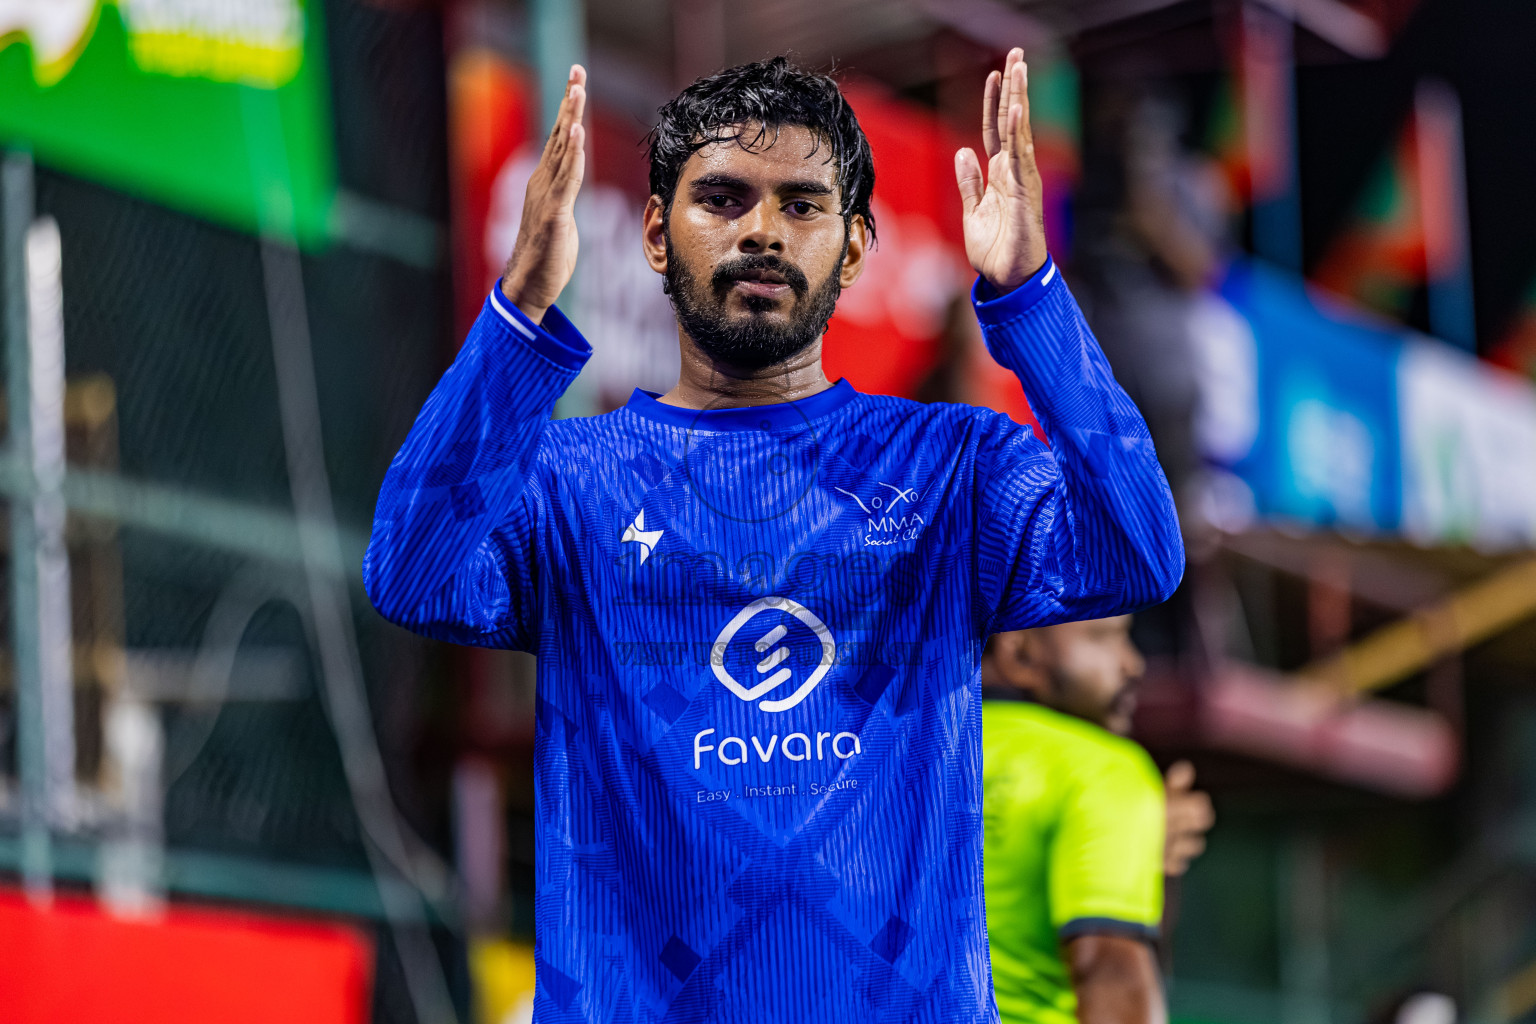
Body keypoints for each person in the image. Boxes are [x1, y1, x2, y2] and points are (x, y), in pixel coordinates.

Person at [365, 52, 1182, 1023]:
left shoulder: (951, 468)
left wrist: (1031, 299)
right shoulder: (572, 480)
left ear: (855, 244)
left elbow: (1137, 551)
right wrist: (517, 317)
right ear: (658, 237)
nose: (762, 230)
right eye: (722, 198)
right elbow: (411, 574)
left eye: (802, 204)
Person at [981, 617, 1214, 1023]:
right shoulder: (1102, 770)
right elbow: (1111, 974)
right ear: (1018, 649)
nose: (1133, 663)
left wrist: (1143, 856)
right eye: (1105, 637)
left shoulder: (901, 759)